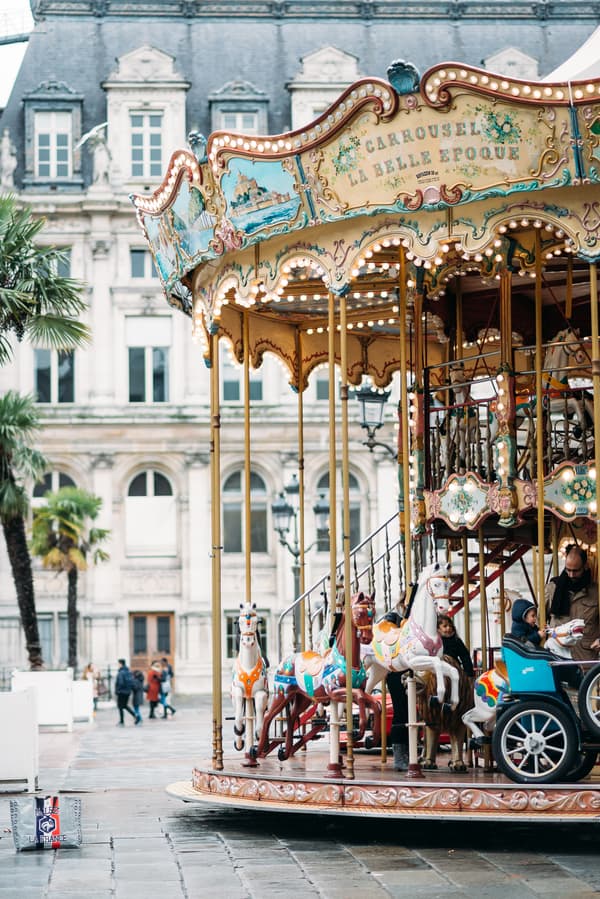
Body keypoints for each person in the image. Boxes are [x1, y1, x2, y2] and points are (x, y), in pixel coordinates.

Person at [546, 544, 600, 661]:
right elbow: (540, 621)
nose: (571, 575)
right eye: (568, 570)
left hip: (585, 657)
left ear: (585, 566)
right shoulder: (553, 588)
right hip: (558, 656)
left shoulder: (596, 592)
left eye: (575, 571)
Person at [115, 658, 137, 726]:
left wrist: (117, 690)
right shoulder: (128, 671)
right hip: (127, 691)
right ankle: (135, 715)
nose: (117, 665)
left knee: (120, 706)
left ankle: (122, 721)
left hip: (121, 692)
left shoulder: (121, 672)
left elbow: (120, 683)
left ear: (120, 664)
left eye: (118, 664)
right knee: (124, 705)